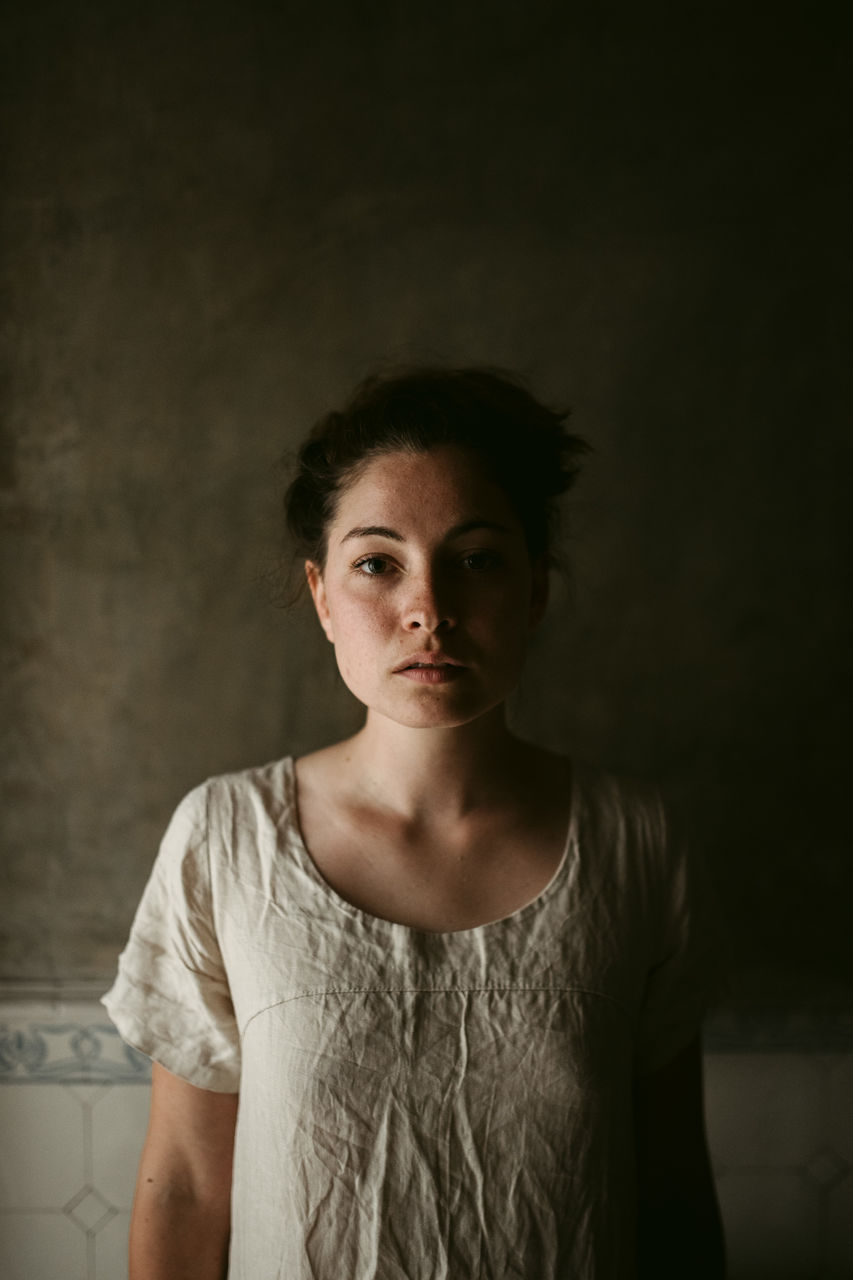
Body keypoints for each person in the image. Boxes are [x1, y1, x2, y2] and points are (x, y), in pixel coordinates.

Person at [103, 366, 725, 1279]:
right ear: (321, 595)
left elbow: (670, 1188)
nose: (428, 609)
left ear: (535, 590)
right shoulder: (227, 838)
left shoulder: (635, 844)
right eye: (376, 563)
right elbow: (190, 1188)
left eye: (476, 560)